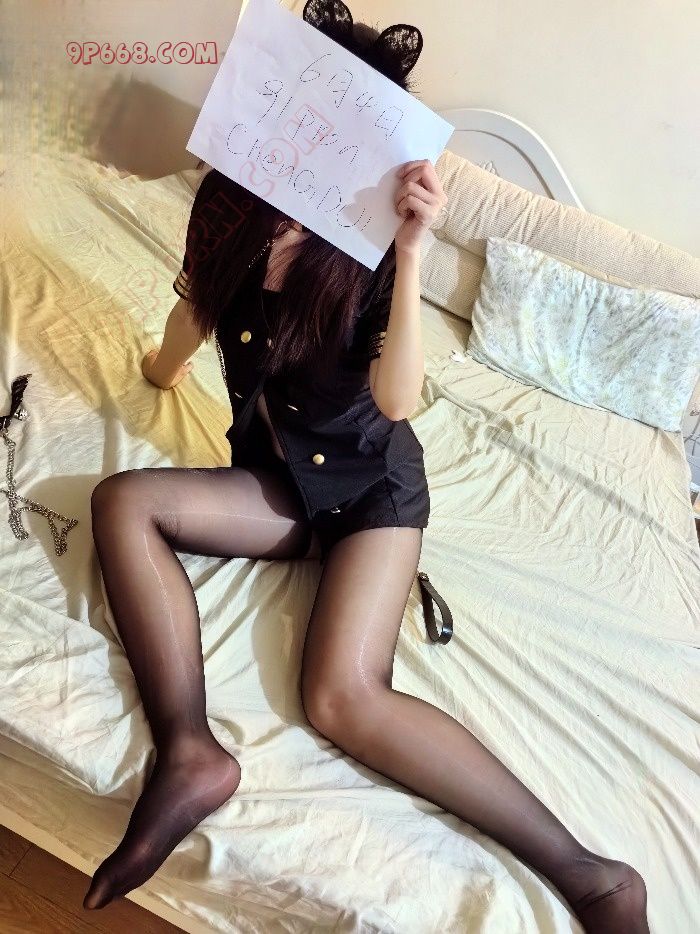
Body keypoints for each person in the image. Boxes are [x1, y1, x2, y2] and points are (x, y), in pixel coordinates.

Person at [83, 2, 650, 930]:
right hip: (277, 480)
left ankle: (594, 876)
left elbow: (395, 400)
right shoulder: (226, 205)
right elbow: (200, 306)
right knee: (123, 501)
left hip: (368, 493)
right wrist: (161, 370)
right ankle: (189, 751)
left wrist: (415, 252)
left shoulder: (374, 240)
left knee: (341, 697)